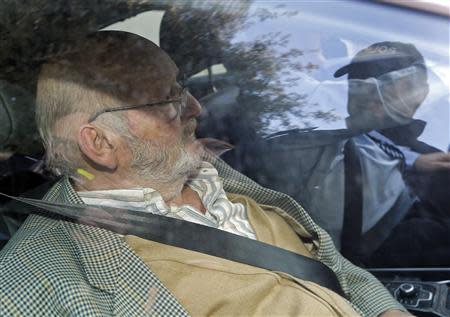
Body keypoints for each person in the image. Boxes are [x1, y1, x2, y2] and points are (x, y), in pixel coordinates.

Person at [0, 31, 409, 317]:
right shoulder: (31, 285)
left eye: (182, 87)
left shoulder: (209, 170)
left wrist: (384, 308)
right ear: (101, 144)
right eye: (169, 99)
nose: (196, 107)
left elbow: (326, 261)